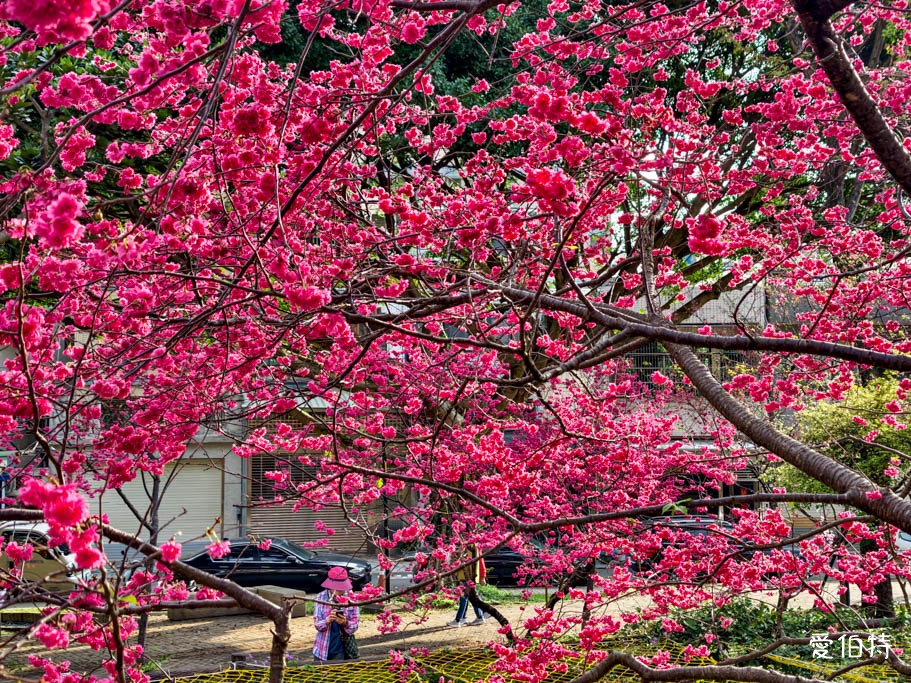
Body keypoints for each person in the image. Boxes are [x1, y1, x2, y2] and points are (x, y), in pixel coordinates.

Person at [313, 566, 360, 661]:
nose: (338, 590)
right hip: (321, 648)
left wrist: (345, 623)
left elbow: (354, 626)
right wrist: (327, 621)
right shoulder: (321, 597)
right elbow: (317, 625)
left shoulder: (352, 598)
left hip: (342, 648)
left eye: (341, 587)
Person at [448, 545, 486, 627]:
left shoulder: (472, 546)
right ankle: (478, 616)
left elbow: (480, 561)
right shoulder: (467, 546)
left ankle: (458, 620)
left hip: (467, 576)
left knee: (464, 597)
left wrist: (483, 576)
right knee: (470, 597)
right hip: (467, 576)